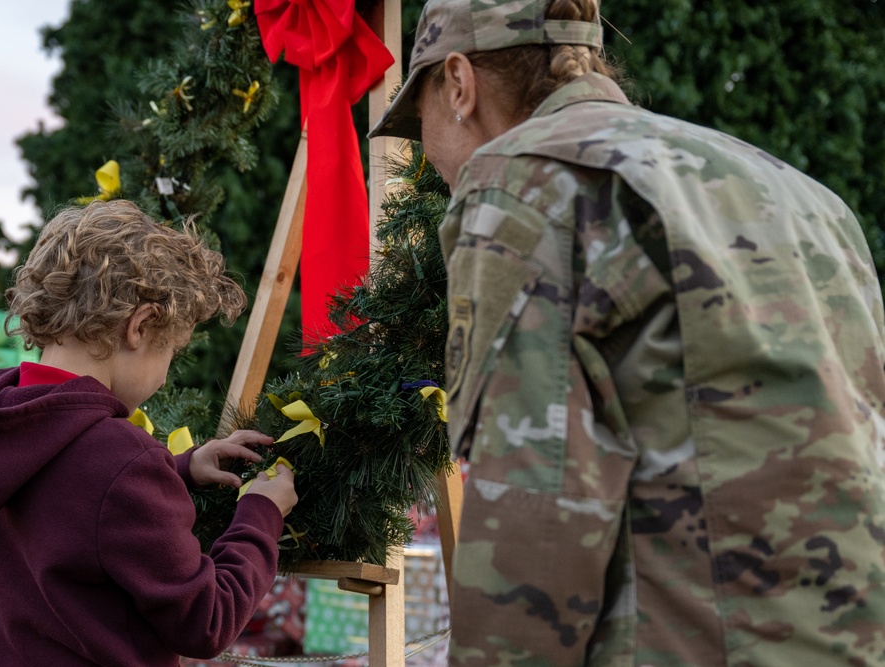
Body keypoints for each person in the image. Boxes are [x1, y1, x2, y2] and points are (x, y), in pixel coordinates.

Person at [370, 0, 885, 664]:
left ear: (460, 83)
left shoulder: (525, 184)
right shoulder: (808, 199)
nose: (429, 158)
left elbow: (535, 517)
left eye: (421, 122)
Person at [0, 200, 298, 666]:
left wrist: (180, 468)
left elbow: (67, 500)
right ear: (141, 326)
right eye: (173, 353)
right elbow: (207, 621)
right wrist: (261, 514)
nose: (166, 376)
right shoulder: (120, 460)